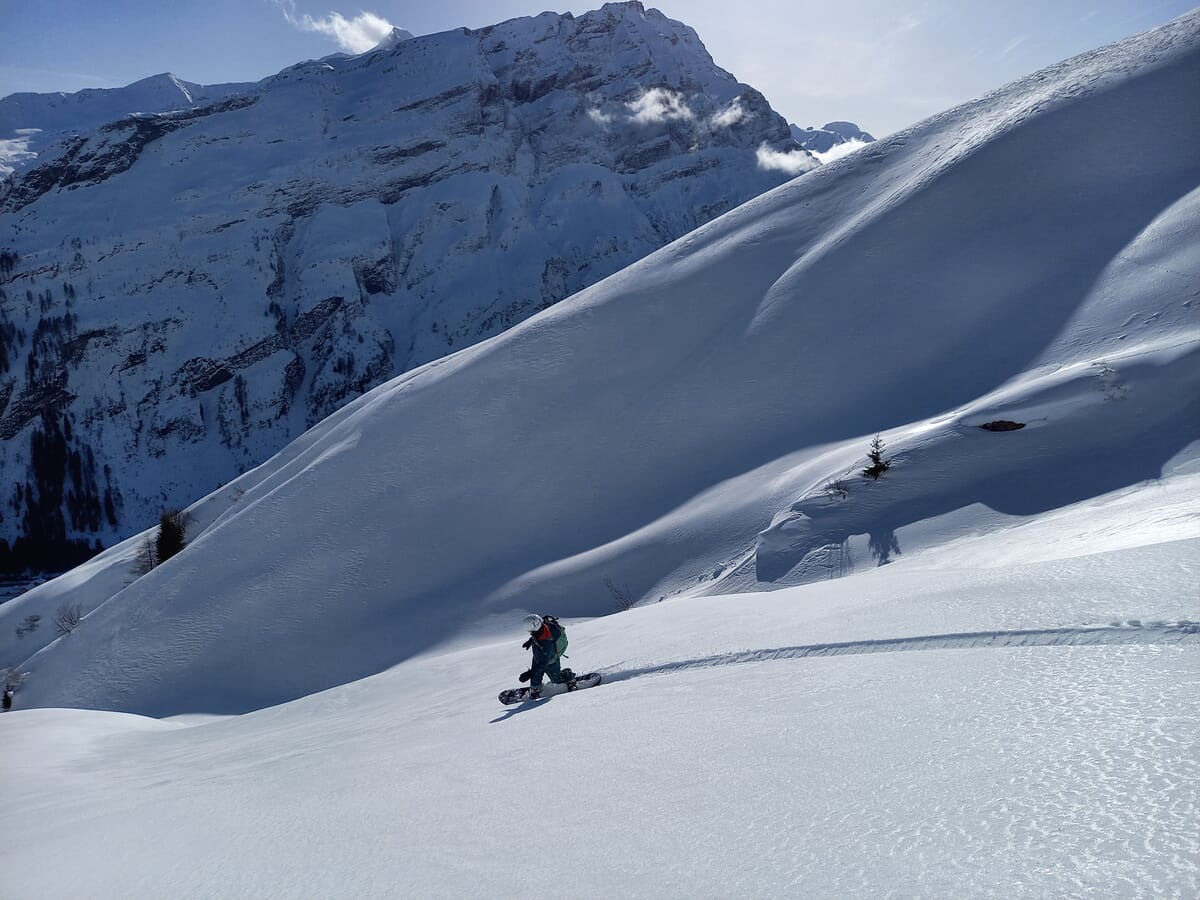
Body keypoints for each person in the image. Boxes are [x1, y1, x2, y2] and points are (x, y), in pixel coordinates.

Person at [519, 613, 576, 699]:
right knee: (536, 675)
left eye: (530, 630)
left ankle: (569, 677)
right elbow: (538, 634)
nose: (530, 632)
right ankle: (535, 688)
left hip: (550, 660)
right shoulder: (541, 628)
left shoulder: (547, 642)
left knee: (557, 679)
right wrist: (531, 641)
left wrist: (529, 673)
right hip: (539, 655)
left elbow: (544, 663)